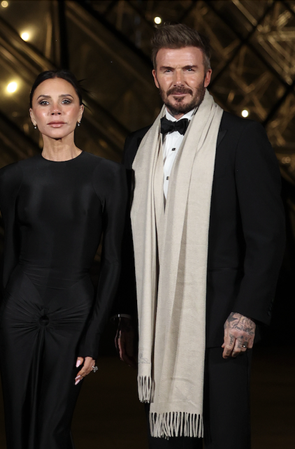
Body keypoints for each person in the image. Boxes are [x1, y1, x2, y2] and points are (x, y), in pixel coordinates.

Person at [116, 24, 285, 449]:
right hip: (157, 323)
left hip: (222, 323)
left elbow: (268, 235)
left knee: (225, 439)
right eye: (168, 70)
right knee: (165, 441)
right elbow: (128, 240)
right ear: (155, 77)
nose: (178, 81)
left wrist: (247, 311)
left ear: (207, 76)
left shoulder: (242, 138)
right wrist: (127, 317)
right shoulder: (136, 145)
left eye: (189, 69)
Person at [0, 69, 127, 449]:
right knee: (18, 428)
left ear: (81, 113)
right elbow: (11, 255)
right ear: (32, 115)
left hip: (74, 312)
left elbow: (114, 261)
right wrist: (5, 312)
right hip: (18, 311)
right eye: (44, 102)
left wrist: (92, 336)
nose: (56, 110)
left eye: (65, 101)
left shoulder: (110, 176)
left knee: (53, 429)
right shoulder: (12, 177)